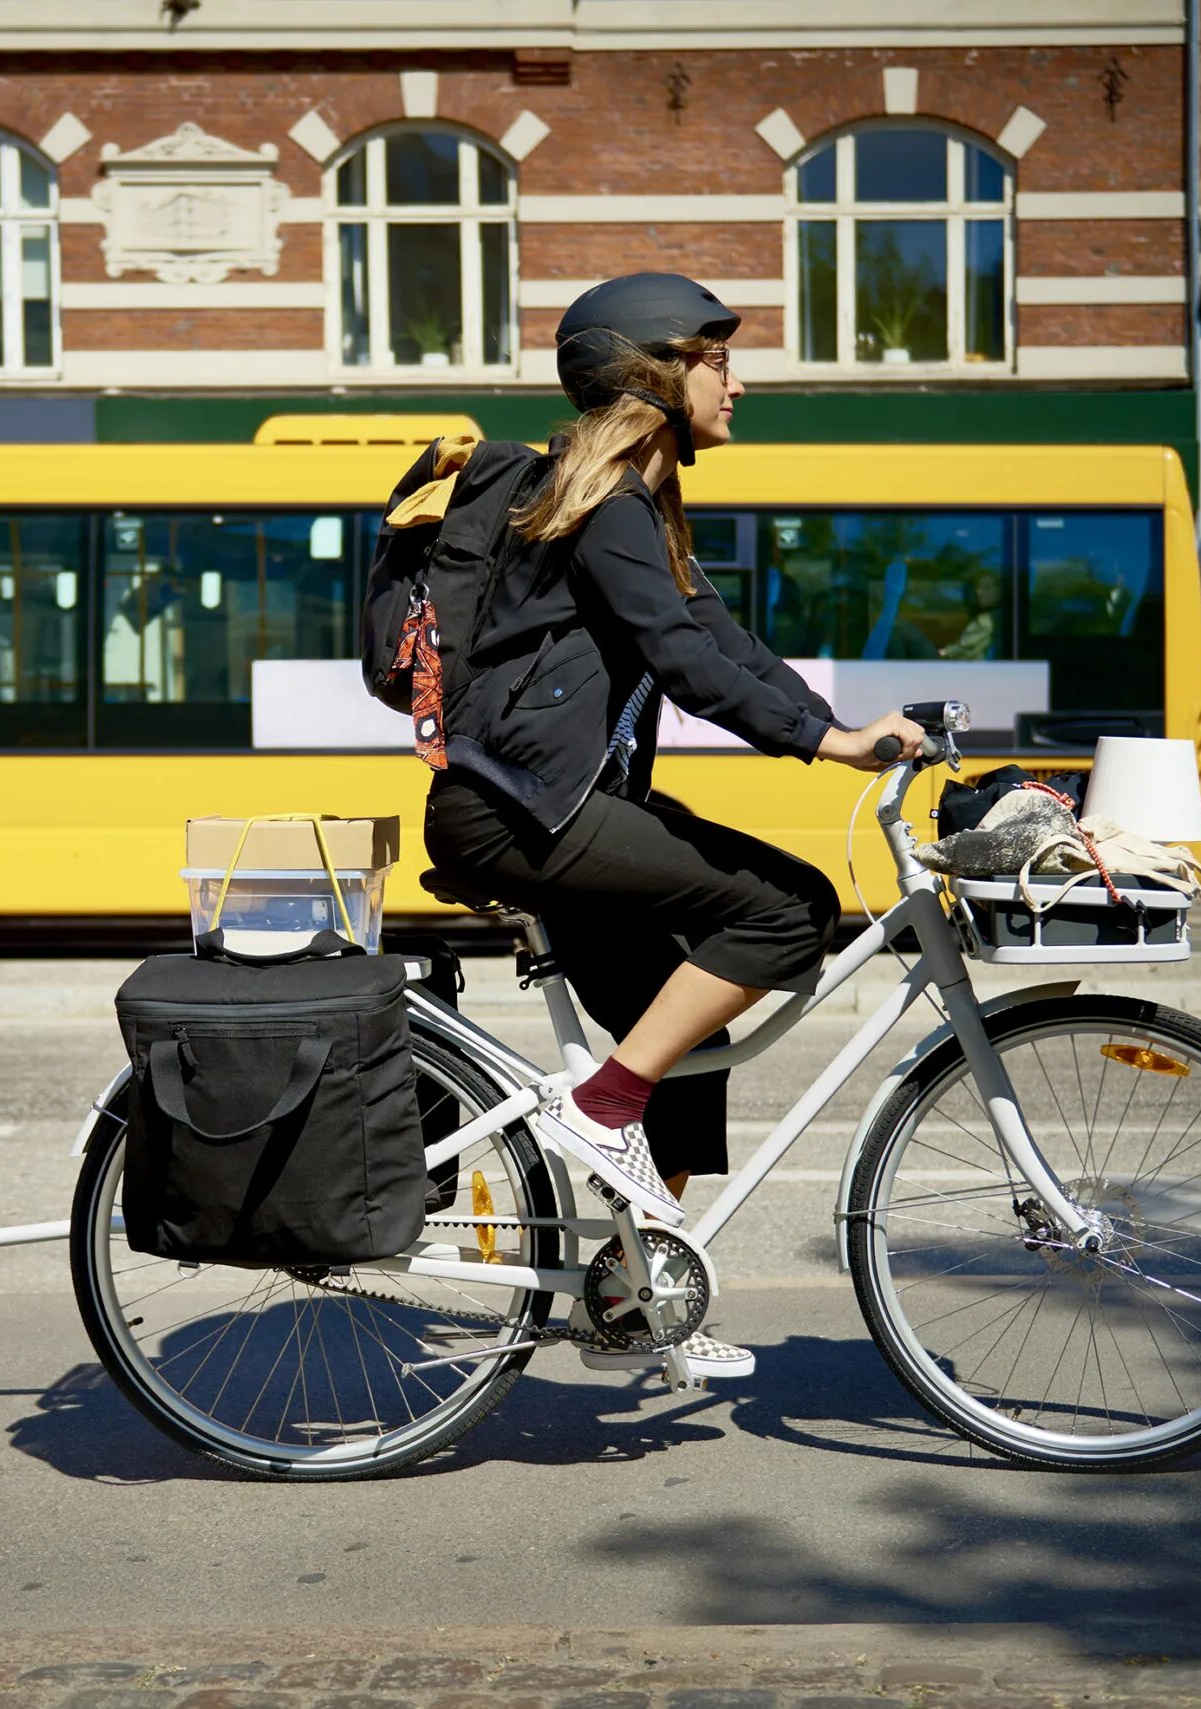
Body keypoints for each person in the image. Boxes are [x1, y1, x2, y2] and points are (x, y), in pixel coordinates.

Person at [420, 273, 925, 1375]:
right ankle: (601, 1104)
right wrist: (827, 747)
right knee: (789, 907)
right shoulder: (605, 505)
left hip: (552, 812)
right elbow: (685, 666)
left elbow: (722, 641)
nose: (736, 383)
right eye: (716, 360)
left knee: (684, 1053)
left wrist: (839, 724)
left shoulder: (632, 505)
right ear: (653, 372)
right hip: (523, 816)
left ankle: (629, 1295)